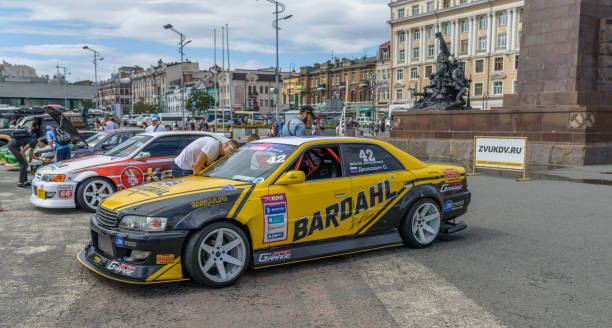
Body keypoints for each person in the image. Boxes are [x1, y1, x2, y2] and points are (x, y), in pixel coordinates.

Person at [172, 137, 239, 178]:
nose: (231, 154)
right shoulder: (213, 145)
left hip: (186, 168)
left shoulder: (216, 151)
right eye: (231, 151)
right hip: (182, 168)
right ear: (226, 144)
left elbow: (201, 166)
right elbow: (196, 166)